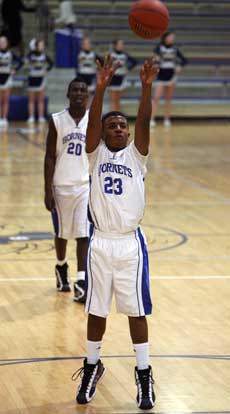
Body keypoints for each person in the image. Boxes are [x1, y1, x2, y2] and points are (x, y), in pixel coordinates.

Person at [72, 55, 159, 410]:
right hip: (100, 243)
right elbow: (93, 122)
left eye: (123, 125)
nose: (119, 129)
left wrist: (146, 86)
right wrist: (102, 86)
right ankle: (92, 365)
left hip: (129, 244)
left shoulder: (137, 157)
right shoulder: (95, 156)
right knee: (96, 311)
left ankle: (144, 374)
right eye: (113, 126)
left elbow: (145, 121)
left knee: (136, 311)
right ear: (104, 133)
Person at [44, 76, 89, 303]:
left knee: (83, 233)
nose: (79, 93)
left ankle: (81, 280)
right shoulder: (57, 120)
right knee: (62, 234)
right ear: (68, 94)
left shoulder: (94, 120)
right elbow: (50, 156)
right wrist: (47, 189)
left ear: (88, 95)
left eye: (83, 90)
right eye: (75, 90)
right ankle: (61, 267)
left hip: (84, 186)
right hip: (60, 185)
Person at [151, 31, 188, 128]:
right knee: (156, 98)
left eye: (173, 37)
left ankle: (167, 119)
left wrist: (180, 66)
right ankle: (152, 119)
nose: (172, 39)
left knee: (168, 99)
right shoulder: (159, 48)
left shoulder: (175, 49)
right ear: (165, 38)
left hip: (172, 76)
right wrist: (155, 63)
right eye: (171, 37)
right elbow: (154, 60)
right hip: (161, 76)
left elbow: (184, 60)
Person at [25, 39, 53, 124]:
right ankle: (31, 117)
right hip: (31, 79)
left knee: (40, 100)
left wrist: (46, 70)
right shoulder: (30, 55)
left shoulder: (44, 56)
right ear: (36, 46)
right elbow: (25, 61)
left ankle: (41, 117)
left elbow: (51, 63)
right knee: (31, 100)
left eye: (43, 45)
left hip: (41, 78)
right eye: (40, 45)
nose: (42, 46)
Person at [0, 36, 23, 129]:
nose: (2, 43)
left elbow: (21, 62)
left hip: (7, 78)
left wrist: (15, 69)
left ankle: (4, 118)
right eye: (0, 42)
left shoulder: (10, 54)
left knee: (5, 100)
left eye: (3, 42)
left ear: (7, 43)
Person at [108, 39, 137, 111]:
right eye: (119, 44)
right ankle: (112, 116)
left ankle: (117, 116)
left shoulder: (125, 55)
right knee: (112, 100)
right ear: (115, 46)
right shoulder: (111, 55)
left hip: (121, 78)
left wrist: (128, 69)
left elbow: (134, 62)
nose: (121, 46)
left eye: (122, 44)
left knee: (118, 100)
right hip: (113, 78)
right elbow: (105, 65)